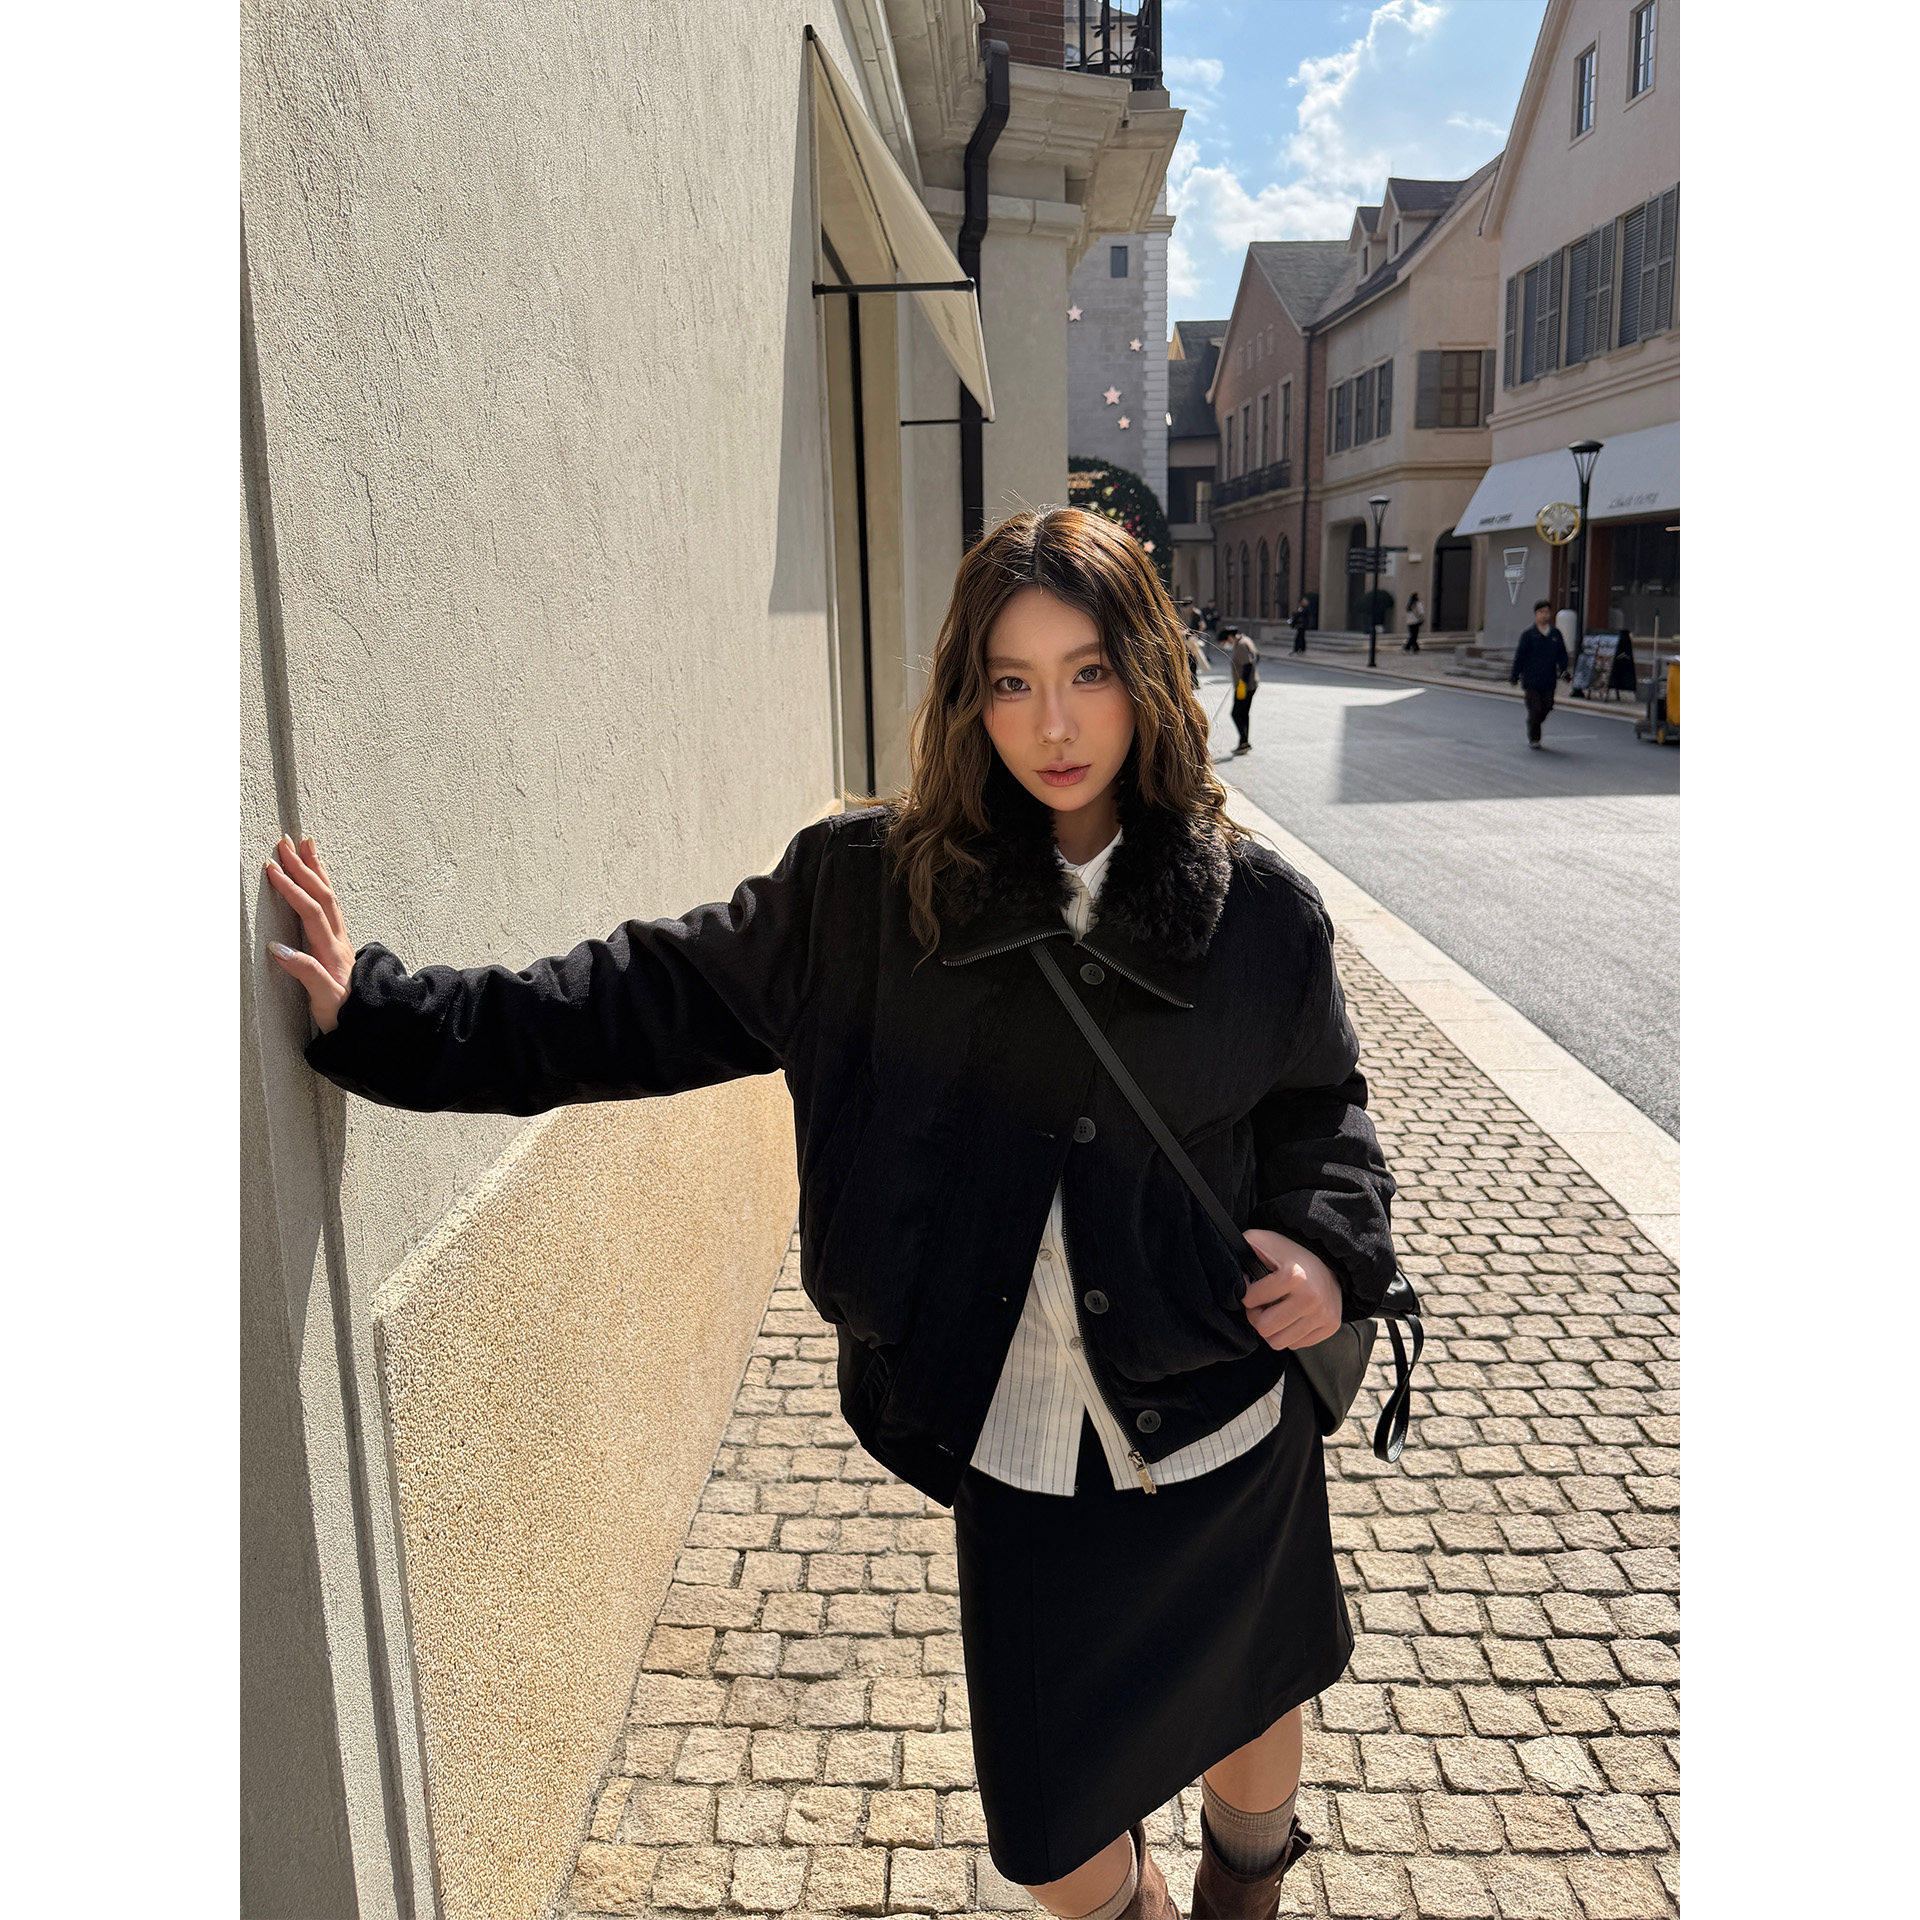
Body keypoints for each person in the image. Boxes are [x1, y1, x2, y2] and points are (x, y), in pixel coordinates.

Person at [266, 507, 1394, 1920]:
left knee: (1251, 1683)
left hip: (1221, 1409)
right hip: (1020, 1448)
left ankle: (1246, 1886)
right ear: (967, 692)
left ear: (1149, 677)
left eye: (1090, 672)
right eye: (1013, 679)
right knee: (1048, 1837)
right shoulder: (869, 896)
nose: (1054, 723)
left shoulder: (1257, 912)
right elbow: (640, 999)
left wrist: (1331, 1246)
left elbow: (1322, 1106)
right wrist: (385, 1017)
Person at [1510, 598, 1571, 749]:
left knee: (1548, 705)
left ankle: (1533, 721)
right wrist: (1514, 676)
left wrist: (1564, 670)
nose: (1544, 615)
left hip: (1548, 679)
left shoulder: (1555, 634)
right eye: (1541, 612)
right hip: (1531, 679)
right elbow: (1520, 656)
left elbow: (1562, 655)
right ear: (1536, 614)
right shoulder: (1528, 635)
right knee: (1535, 708)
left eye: (1547, 612)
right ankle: (1534, 737)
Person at [1228, 626, 1260, 755]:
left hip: (1244, 686)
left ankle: (1244, 741)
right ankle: (1244, 742)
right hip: (1250, 684)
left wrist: (1242, 682)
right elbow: (1257, 657)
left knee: (1236, 713)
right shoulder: (1246, 640)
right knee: (1243, 713)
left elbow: (1247, 665)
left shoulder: (1241, 645)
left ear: (1230, 637)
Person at [1609, 625, 1639, 699]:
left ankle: (1617, 687)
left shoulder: (1620, 640)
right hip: (1624, 661)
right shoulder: (1626, 641)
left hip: (1620, 661)